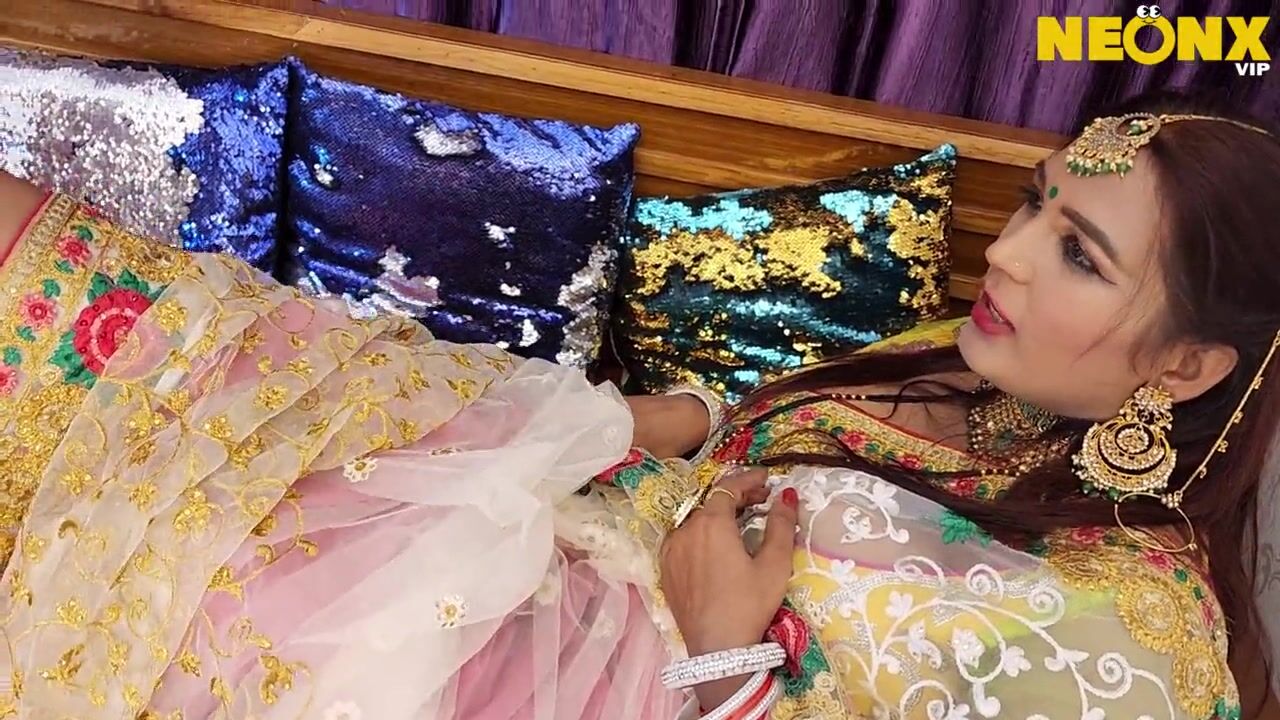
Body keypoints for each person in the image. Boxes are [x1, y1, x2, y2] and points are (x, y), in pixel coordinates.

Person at [0, 90, 1276, 720]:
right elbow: (786, 442)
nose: (1005, 250)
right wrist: (685, 419)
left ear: (1181, 368)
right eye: (1040, 201)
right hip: (534, 527)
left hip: (529, 678)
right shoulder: (984, 362)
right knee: (199, 340)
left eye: (1078, 255)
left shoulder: (1137, 647)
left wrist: (724, 653)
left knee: (156, 526)